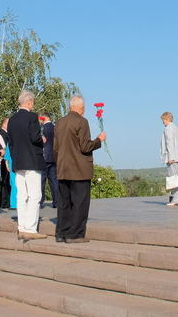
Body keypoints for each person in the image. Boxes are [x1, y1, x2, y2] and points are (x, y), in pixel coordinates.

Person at [54, 95, 105, 243]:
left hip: (63, 169)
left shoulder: (60, 122)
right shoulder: (82, 122)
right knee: (80, 203)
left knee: (64, 204)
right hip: (79, 170)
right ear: (81, 108)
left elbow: (55, 148)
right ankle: (74, 234)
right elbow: (85, 146)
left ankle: (61, 233)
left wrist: (60, 163)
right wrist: (99, 140)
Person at [6, 90, 47, 240]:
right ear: (29, 102)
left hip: (18, 161)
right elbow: (35, 137)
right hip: (32, 161)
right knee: (35, 195)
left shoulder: (12, 119)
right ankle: (30, 228)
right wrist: (42, 139)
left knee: (21, 195)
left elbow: (11, 141)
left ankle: (22, 226)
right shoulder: (32, 117)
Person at [159, 112, 178, 206]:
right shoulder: (177, 128)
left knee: (173, 179)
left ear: (166, 119)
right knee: (176, 178)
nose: (163, 122)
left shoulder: (168, 129)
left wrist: (170, 157)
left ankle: (177, 200)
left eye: (163, 120)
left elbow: (169, 143)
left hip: (173, 158)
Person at [40, 115, 58, 208]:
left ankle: (41, 201)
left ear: (43, 118)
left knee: (42, 180)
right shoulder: (55, 127)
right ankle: (56, 201)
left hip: (44, 157)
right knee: (53, 180)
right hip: (54, 157)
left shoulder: (43, 129)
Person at [0, 117, 15, 209]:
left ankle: (6, 201)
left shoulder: (6, 133)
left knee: (7, 181)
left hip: (7, 159)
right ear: (5, 124)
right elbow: (3, 147)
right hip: (4, 160)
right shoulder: (1, 133)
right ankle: (4, 202)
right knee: (5, 181)